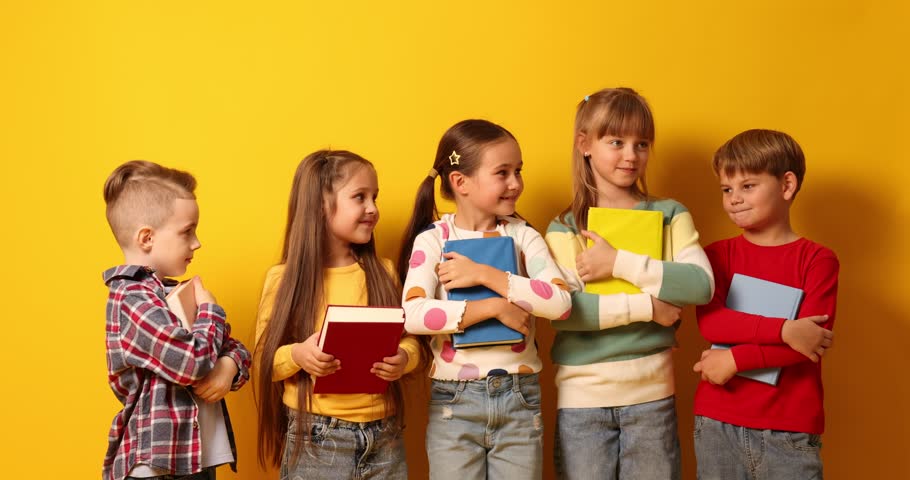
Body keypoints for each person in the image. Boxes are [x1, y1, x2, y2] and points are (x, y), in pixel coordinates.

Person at [544, 88, 714, 479]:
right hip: (582, 401)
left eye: (642, 144)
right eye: (616, 142)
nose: (631, 155)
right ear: (585, 144)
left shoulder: (669, 214)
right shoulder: (565, 226)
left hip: (652, 396)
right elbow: (565, 312)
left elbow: (700, 284)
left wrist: (617, 262)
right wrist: (651, 307)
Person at [398, 119, 572, 479]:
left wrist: (483, 274)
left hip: (519, 398)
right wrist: (494, 308)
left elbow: (560, 303)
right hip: (454, 401)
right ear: (460, 182)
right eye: (502, 173)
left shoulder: (523, 236)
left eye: (518, 171)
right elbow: (413, 314)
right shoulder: (433, 240)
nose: (516, 183)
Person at [255, 150, 421, 479]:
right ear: (320, 205)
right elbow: (263, 360)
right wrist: (299, 355)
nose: (373, 208)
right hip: (316, 436)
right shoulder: (284, 279)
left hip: (385, 435)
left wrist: (404, 357)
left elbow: (412, 340)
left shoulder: (384, 272)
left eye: (375, 197)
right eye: (360, 197)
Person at [693, 129, 837, 479]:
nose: (734, 199)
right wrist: (785, 329)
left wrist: (735, 359)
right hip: (717, 421)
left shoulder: (817, 260)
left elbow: (811, 342)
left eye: (747, 186)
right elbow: (713, 322)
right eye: (726, 189)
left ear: (787, 185)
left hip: (789, 428)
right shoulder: (716, 255)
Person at [101, 160, 251, 480]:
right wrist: (210, 310)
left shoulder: (173, 293)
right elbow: (191, 363)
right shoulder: (131, 300)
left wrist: (228, 367)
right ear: (146, 238)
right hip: (156, 467)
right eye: (187, 231)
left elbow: (234, 347)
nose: (197, 243)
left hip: (197, 459)